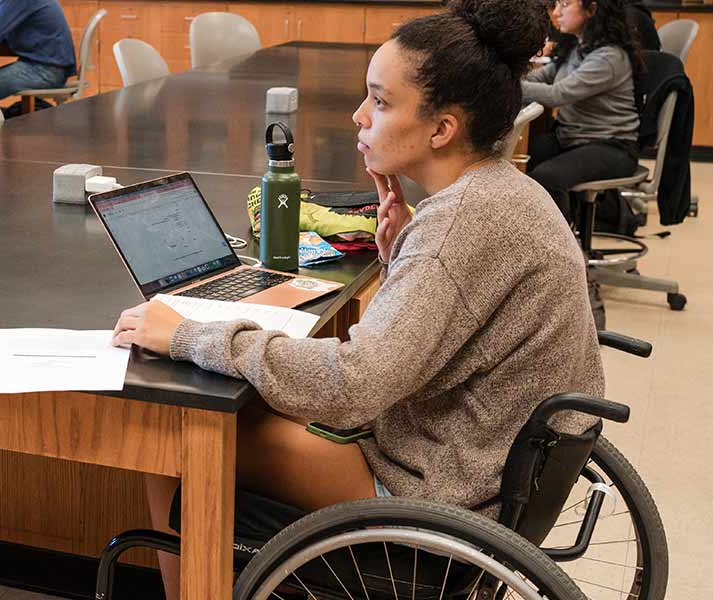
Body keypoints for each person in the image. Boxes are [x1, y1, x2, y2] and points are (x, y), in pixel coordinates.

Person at [106, 0, 602, 595]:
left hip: (436, 494)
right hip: (478, 463)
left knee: (174, 428)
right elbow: (439, 335)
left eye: (382, 102)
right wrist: (400, 257)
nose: (359, 115)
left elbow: (355, 386)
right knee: (257, 396)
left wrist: (189, 334)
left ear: (443, 128)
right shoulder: (499, 191)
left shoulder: (459, 225)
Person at [522, 0, 643, 220]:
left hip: (611, 146)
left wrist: (507, 84)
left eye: (565, 5)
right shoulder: (577, 47)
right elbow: (545, 76)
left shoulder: (608, 57)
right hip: (573, 139)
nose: (556, 13)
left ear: (592, 9)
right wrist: (513, 76)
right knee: (522, 156)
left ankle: (561, 248)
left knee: (547, 177)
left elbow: (557, 94)